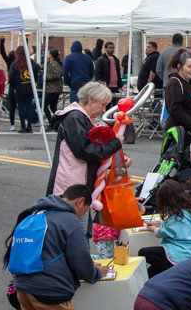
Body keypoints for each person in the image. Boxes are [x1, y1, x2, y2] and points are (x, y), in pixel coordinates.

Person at [46, 81, 129, 231]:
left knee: (77, 232)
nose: (103, 110)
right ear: (90, 99)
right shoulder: (74, 118)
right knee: (73, 233)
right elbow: (84, 150)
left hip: (78, 186)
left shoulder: (82, 118)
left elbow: (94, 148)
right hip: (69, 189)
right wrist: (115, 144)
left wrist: (117, 158)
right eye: (102, 105)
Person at [138, 180, 191, 278]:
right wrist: (160, 223)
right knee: (152, 272)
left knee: (143, 252)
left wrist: (153, 228)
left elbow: (162, 232)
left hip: (177, 253)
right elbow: (179, 226)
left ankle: (175, 272)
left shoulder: (174, 217)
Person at [10, 46, 42, 133]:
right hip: (29, 87)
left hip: (19, 88)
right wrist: (33, 83)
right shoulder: (31, 63)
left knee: (21, 107)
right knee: (29, 107)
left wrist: (14, 86)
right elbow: (36, 73)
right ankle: (29, 126)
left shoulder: (15, 63)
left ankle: (23, 126)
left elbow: (11, 77)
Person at [43, 48, 63, 125]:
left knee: (44, 105)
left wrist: (46, 77)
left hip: (53, 89)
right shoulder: (51, 63)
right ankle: (56, 122)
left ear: (51, 55)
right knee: (53, 107)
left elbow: (57, 74)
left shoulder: (54, 64)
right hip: (53, 89)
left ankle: (52, 122)